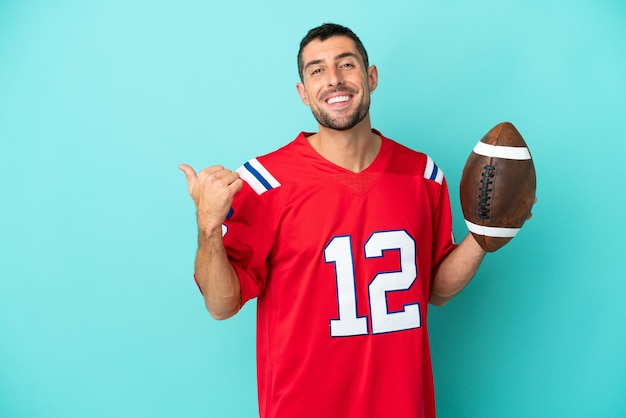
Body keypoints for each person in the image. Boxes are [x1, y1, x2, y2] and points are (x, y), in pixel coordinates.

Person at [180, 23, 487, 418]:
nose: (334, 80)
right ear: (302, 92)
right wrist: (208, 226)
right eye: (317, 70)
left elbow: (436, 289)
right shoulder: (263, 182)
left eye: (346, 64)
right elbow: (221, 305)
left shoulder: (423, 175)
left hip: (403, 406)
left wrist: (483, 238)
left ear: (371, 77)